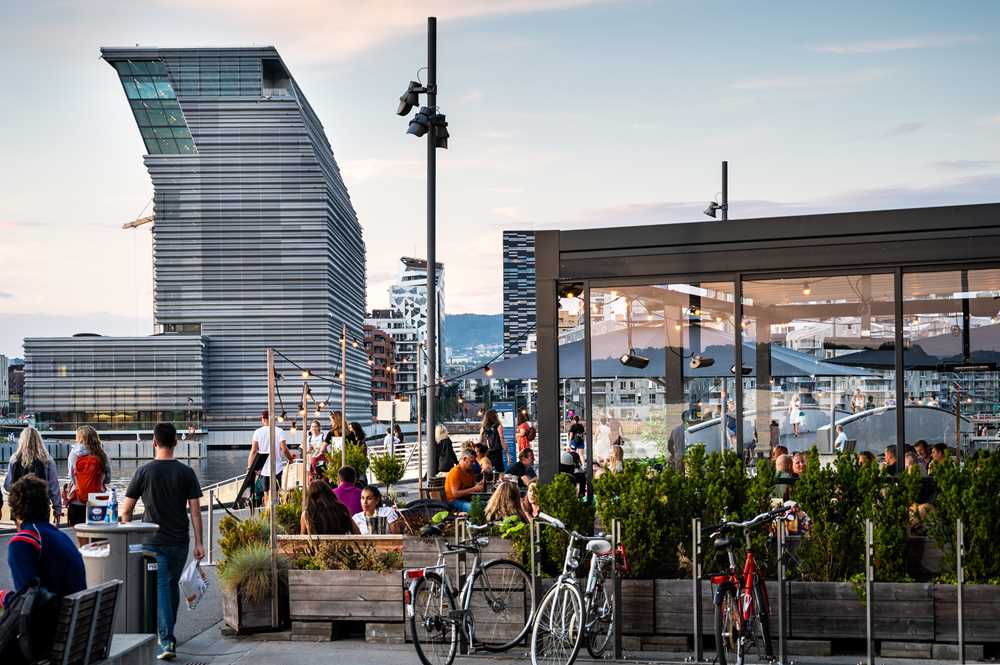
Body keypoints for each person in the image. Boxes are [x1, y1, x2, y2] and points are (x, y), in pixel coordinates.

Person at [121, 423, 204, 660]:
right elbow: (195, 512)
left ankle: (166, 640)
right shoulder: (186, 472)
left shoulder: (143, 472)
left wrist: (129, 534)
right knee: (169, 585)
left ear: (154, 442)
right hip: (180, 541)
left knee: (162, 588)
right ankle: (168, 634)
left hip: (152, 541)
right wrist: (199, 542)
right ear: (176, 442)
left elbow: (126, 510)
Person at [1, 475, 86, 664]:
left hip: (48, 641)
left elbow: (27, 608)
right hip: (73, 633)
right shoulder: (61, 537)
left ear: (16, 511)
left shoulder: (23, 542)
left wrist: (3, 597)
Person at [4, 427, 61, 524]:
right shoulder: (47, 460)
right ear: (39, 441)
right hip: (41, 507)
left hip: (20, 507)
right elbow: (54, 487)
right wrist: (57, 509)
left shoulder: (14, 459)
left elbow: (8, 486)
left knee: (23, 532)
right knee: (40, 532)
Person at [66, 425, 111, 531]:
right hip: (98, 499)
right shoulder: (102, 454)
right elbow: (108, 479)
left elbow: (71, 476)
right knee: (98, 533)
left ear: (79, 438)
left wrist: (81, 485)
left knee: (77, 533)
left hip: (77, 500)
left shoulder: (74, 454)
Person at [249, 410, 293, 507]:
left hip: (263, 469)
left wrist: (250, 467)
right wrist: (290, 459)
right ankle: (275, 512)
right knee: (275, 493)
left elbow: (253, 451)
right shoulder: (279, 431)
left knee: (266, 494)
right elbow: (284, 449)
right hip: (277, 468)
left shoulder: (257, 432)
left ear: (263, 419)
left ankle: (267, 512)